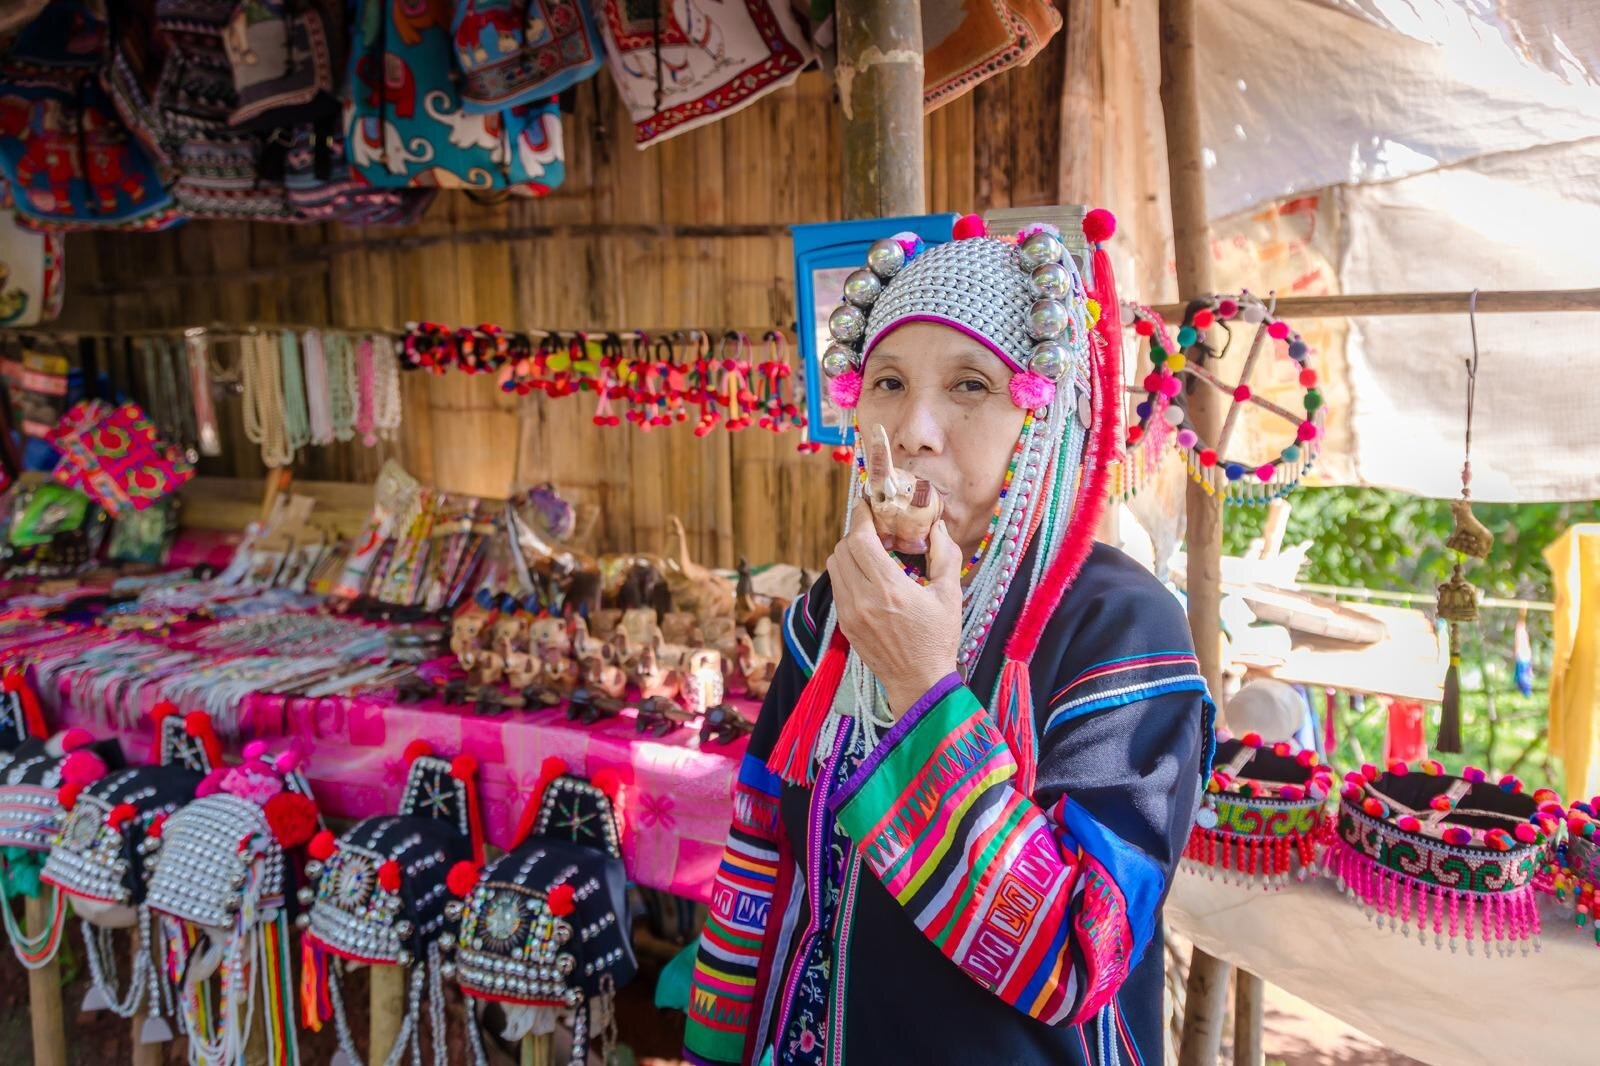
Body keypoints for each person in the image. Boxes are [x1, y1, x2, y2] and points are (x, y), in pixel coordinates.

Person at [684, 213, 1215, 1065]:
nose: (913, 430)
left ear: (1042, 418)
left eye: (970, 385)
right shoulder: (839, 605)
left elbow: (1080, 959)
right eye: (888, 382)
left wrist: (922, 684)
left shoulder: (1119, 629)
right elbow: (763, 859)